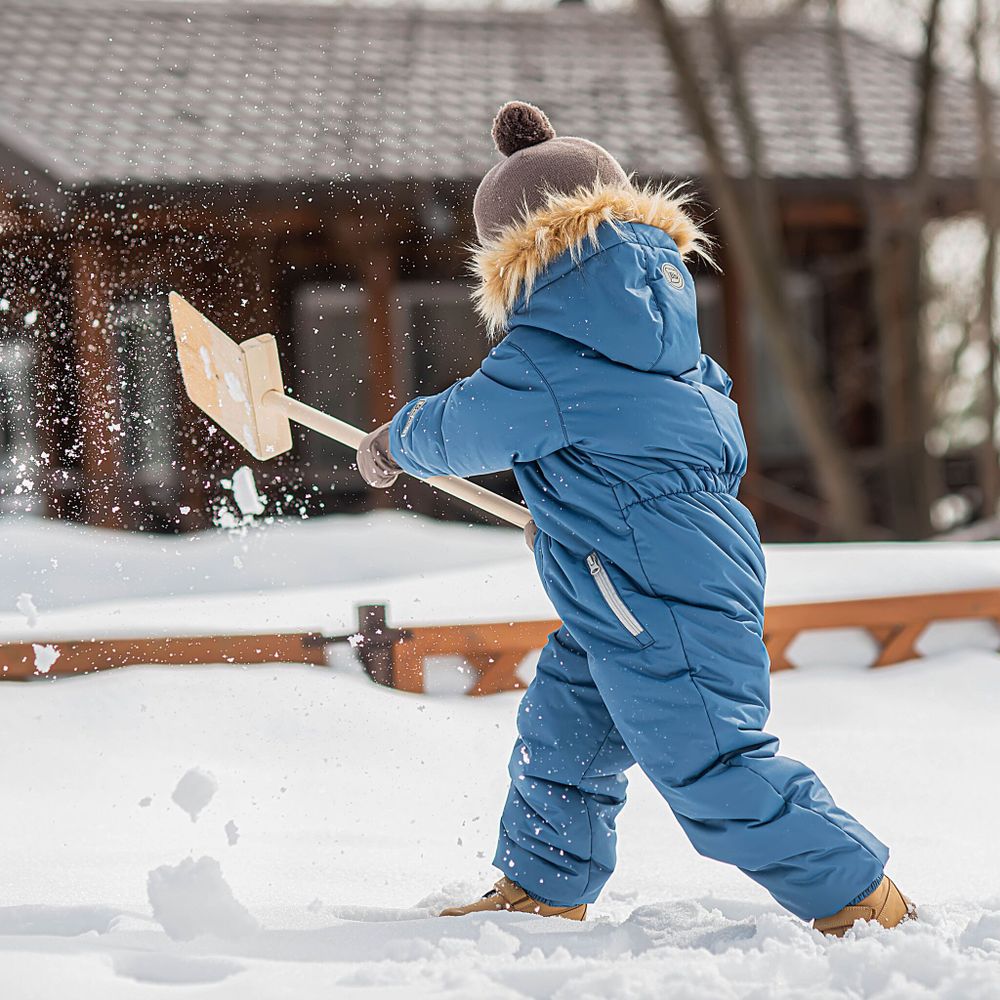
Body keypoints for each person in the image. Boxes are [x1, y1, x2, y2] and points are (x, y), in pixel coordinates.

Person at [356, 101, 913, 937]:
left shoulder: (549, 355)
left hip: (651, 595)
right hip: (638, 581)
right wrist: (580, 515)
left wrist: (391, 443)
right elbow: (659, 463)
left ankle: (861, 899)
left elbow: (466, 425)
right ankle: (544, 885)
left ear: (515, 257)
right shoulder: (675, 351)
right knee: (565, 730)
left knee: (712, 766)